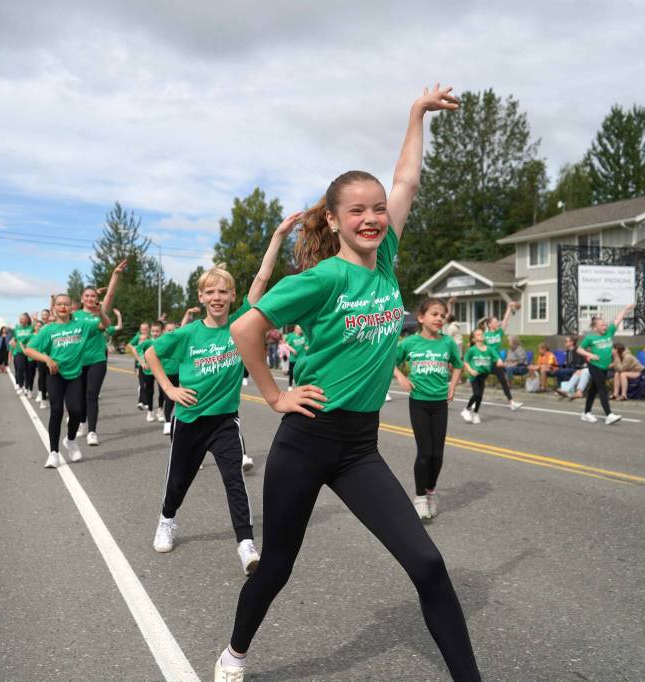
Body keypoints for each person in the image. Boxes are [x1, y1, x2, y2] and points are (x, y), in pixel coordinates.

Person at [214, 84, 479, 682]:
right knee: (278, 565)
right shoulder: (322, 278)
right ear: (333, 220)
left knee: (429, 564)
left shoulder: (384, 263)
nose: (372, 218)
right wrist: (275, 396)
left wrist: (415, 115)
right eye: (356, 210)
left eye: (377, 208)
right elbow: (245, 329)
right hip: (307, 441)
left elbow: (406, 179)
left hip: (359, 448)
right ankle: (235, 652)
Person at [145, 217, 298, 575]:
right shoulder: (187, 334)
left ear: (232, 296)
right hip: (190, 419)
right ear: (201, 297)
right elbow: (151, 353)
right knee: (178, 480)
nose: (217, 297)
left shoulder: (241, 321)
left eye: (223, 291)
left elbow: (261, 278)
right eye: (210, 292)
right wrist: (169, 389)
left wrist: (277, 236)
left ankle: (245, 543)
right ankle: (167, 519)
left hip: (225, 420)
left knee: (234, 480)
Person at [23, 294, 112, 468]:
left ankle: (71, 440)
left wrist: (100, 311)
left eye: (66, 304)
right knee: (56, 411)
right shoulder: (48, 329)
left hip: (75, 375)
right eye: (59, 304)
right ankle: (53, 453)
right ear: (54, 307)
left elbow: (105, 325)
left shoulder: (82, 325)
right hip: (56, 375)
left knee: (76, 411)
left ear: (72, 307)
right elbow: (29, 350)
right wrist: (47, 359)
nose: (63, 307)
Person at [393, 297, 462, 520]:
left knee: (437, 455)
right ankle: (420, 497)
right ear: (421, 317)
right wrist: (400, 377)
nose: (439, 318)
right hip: (419, 402)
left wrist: (452, 385)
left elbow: (458, 365)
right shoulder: (410, 343)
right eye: (434, 314)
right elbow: (389, 361)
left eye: (442, 315)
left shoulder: (448, 343)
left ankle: (431, 491)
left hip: (440, 403)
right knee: (424, 453)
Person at [73, 261, 126, 445]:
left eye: (93, 296)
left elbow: (110, 295)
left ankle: (92, 432)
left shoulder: (99, 313)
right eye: (86, 295)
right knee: (78, 398)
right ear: (81, 299)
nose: (89, 298)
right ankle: (81, 422)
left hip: (97, 359)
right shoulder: (74, 316)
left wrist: (115, 275)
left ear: (96, 298)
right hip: (77, 362)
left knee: (92, 394)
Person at [576, 303, 634, 425]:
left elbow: (618, 320)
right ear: (595, 328)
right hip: (594, 366)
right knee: (602, 388)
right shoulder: (590, 338)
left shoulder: (609, 332)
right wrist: (590, 355)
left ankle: (586, 413)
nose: (605, 326)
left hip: (604, 367)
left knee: (593, 389)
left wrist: (625, 309)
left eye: (605, 324)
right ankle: (609, 415)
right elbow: (579, 349)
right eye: (602, 325)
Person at [478, 301, 522, 410]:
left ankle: (511, 402)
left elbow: (506, 320)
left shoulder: (499, 333)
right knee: (480, 384)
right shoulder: (485, 335)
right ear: (489, 324)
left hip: (496, 362)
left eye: (497, 321)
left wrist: (509, 307)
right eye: (495, 322)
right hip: (487, 362)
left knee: (503, 381)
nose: (498, 323)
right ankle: (474, 403)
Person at [460, 328, 496, 424]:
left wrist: (499, 361)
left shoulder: (488, 349)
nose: (481, 335)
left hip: (483, 376)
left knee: (480, 397)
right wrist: (471, 370)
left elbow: (495, 357)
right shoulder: (472, 350)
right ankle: (466, 410)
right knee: (476, 394)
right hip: (474, 376)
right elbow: (465, 361)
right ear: (474, 339)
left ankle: (475, 413)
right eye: (478, 334)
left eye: (482, 334)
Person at [134, 321, 163, 422]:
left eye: (157, 331)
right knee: (150, 391)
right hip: (148, 371)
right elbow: (138, 349)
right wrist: (142, 362)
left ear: (161, 332)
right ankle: (150, 411)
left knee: (162, 391)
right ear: (150, 332)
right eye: (153, 331)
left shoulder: (164, 341)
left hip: (161, 370)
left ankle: (160, 410)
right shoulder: (147, 342)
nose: (155, 333)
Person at [11, 313, 36, 397]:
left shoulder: (31, 328)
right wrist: (13, 345)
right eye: (20, 318)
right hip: (19, 351)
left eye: (23, 318)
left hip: (29, 351)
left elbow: (36, 332)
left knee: (29, 370)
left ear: (27, 320)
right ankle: (21, 386)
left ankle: (27, 387)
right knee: (20, 369)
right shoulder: (16, 329)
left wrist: (35, 320)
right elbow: (14, 339)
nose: (21, 320)